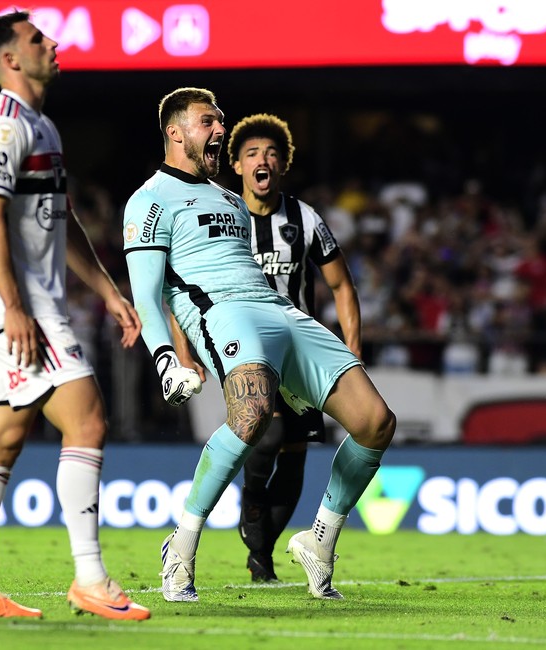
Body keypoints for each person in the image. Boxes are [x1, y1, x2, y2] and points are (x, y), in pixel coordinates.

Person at [123, 88, 395, 602]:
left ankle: (319, 543)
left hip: (280, 311)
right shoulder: (149, 199)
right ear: (175, 131)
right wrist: (166, 359)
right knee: (250, 417)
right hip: (222, 313)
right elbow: (146, 294)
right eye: (209, 121)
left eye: (220, 121)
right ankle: (180, 546)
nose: (220, 130)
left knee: (376, 422)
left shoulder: (230, 199)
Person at [0, 12, 149, 620]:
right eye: (38, 39)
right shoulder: (3, 125)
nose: (53, 43)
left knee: (0, 445)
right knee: (86, 421)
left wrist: (108, 291)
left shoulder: (42, 125)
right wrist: (14, 307)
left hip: (28, 306)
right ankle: (90, 578)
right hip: (24, 312)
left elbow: (59, 226)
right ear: (11, 59)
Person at [171, 113, 362, 583]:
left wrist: (351, 350)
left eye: (272, 154)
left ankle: (263, 554)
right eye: (253, 153)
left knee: (296, 452)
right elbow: (180, 285)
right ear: (235, 164)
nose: (264, 160)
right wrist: (183, 349)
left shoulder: (305, 219)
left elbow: (342, 286)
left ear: (283, 166)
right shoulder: (218, 216)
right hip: (246, 347)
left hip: (296, 345)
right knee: (267, 433)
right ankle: (251, 502)